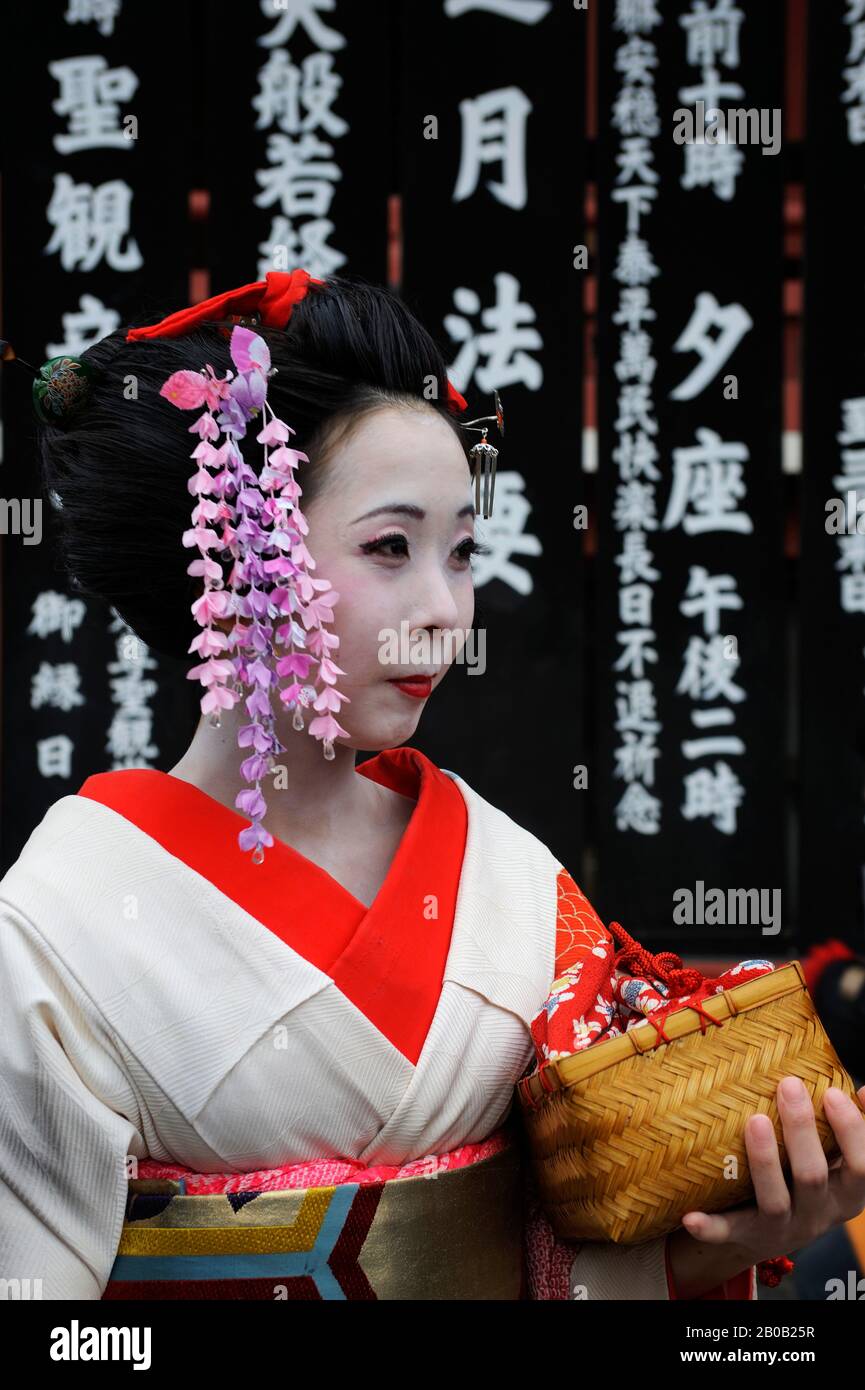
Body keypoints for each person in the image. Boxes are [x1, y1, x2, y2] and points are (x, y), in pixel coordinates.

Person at [1, 271, 863, 1301]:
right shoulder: (61, 918)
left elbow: (562, 1268)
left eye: (461, 552)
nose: (445, 608)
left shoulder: (503, 870)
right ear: (236, 558)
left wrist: (725, 1236)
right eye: (389, 547)